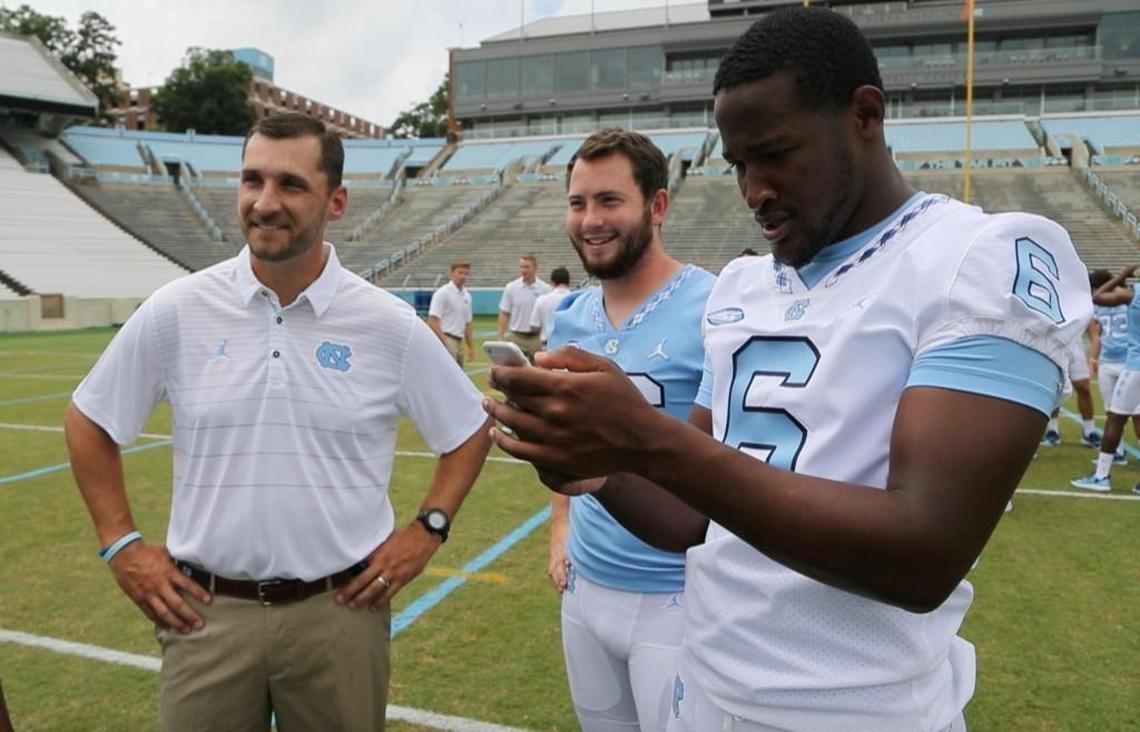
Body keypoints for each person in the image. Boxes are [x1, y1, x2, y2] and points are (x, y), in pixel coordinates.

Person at [483, 8, 1090, 731]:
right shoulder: (743, 286)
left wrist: (646, 437)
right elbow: (691, 518)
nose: (754, 189)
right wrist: (599, 467)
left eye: (775, 154)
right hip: (703, 693)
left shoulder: (980, 257)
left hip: (859, 712)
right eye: (740, 164)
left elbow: (926, 550)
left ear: (864, 114)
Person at [64, 112, 492, 732]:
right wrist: (121, 542)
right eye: (252, 181)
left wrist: (428, 529)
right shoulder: (178, 310)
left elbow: (468, 428)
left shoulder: (387, 324)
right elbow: (89, 419)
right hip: (206, 616)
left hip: (339, 614)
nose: (265, 203)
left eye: (290, 185)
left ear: (336, 201)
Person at [547, 128, 716, 731]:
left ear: (657, 205)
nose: (590, 220)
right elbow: (562, 445)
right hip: (586, 588)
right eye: (577, 203)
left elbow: (719, 467)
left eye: (609, 201)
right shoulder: (566, 315)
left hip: (678, 591)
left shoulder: (713, 307)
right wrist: (561, 525)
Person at [1072, 264, 1140, 493]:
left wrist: (1120, 275)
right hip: (1122, 363)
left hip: (1134, 366)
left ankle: (1102, 476)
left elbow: (1097, 297)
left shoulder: (1132, 293)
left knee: (1115, 418)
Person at [1087, 268, 1130, 465]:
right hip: (1107, 361)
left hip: (1128, 361)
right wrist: (1094, 358)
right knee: (1110, 411)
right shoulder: (1097, 305)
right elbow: (1097, 335)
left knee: (1135, 413)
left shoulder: (1125, 298)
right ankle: (1118, 451)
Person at [1039, 326, 1100, 448]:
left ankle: (1089, 431)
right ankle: (1053, 430)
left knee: (1084, 387)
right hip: (1053, 345)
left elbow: (1092, 326)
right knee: (1055, 387)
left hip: (1075, 346)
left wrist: (1093, 357)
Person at [497, 253, 551, 361]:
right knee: (514, 371)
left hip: (536, 338)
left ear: (535, 268)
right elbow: (504, 313)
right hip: (516, 337)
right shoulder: (511, 288)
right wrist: (500, 335)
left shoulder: (545, 289)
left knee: (538, 371)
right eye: (521, 267)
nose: (524, 270)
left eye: (527, 267)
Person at [428, 260, 475, 367]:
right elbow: (433, 319)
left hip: (459, 340)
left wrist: (470, 347)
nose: (463, 276)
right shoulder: (442, 293)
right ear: (452, 274)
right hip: (447, 336)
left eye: (466, 274)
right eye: (460, 273)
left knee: (458, 374)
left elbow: (468, 323)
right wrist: (444, 340)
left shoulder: (466, 296)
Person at [530, 266, 573, 348]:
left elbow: (534, 326)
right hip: (570, 347)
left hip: (547, 345)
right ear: (568, 282)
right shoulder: (577, 299)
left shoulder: (542, 300)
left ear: (553, 283)